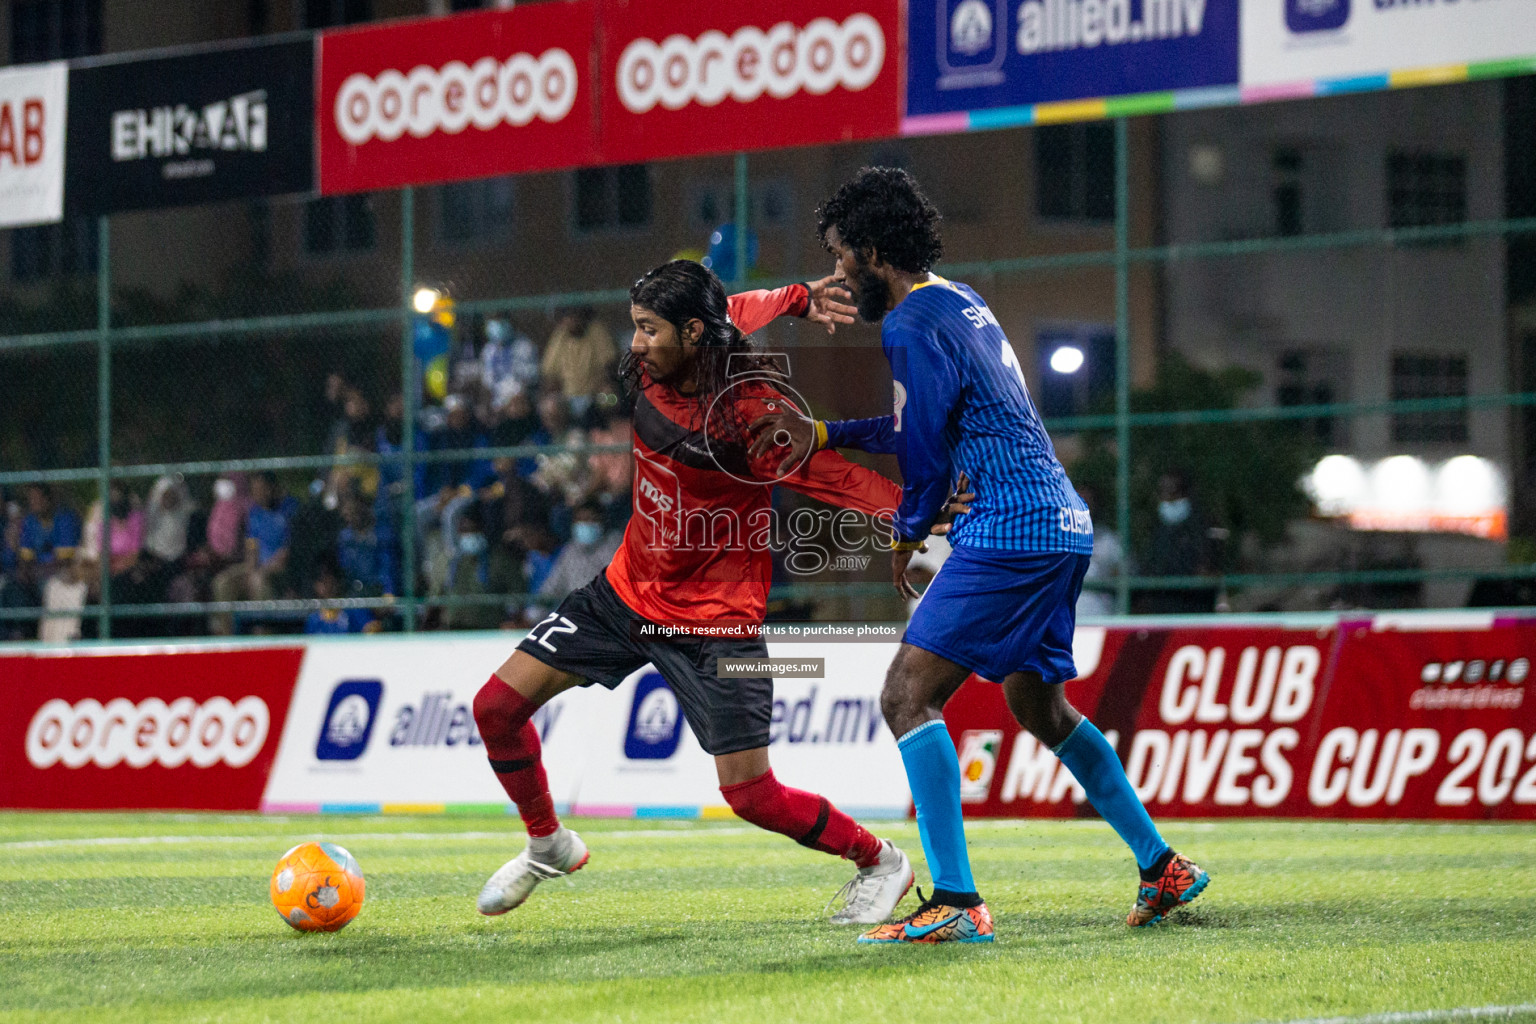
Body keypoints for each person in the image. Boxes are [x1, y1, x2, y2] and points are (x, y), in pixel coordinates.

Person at [751, 167, 1208, 944]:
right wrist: (830, 435)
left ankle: (957, 903)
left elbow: (925, 448)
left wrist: (906, 531)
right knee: (1040, 706)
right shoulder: (959, 301)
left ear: (870, 249)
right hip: (1061, 523)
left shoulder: (906, 325)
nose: (836, 274)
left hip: (1011, 529)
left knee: (905, 695)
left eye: (839, 257)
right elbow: (926, 423)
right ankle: (1160, 866)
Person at [470, 261, 918, 928]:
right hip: (625, 594)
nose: (636, 344)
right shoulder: (678, 348)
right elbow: (739, 304)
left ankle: (879, 860)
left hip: (717, 623)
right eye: (634, 328)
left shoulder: (749, 412)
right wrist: (797, 296)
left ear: (691, 333)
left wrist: (917, 511)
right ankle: (548, 843)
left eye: (648, 330)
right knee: (496, 707)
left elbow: (829, 476)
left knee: (752, 795)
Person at [210, 473, 293, 635]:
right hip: (257, 568)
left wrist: (260, 572)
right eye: (254, 490)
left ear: (272, 488)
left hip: (279, 570)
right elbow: (251, 546)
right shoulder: (254, 513)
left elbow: (286, 551)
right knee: (222, 582)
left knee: (259, 581)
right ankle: (227, 640)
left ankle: (262, 637)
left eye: (261, 489)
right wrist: (250, 570)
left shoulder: (288, 509)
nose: (258, 494)